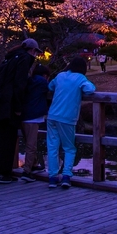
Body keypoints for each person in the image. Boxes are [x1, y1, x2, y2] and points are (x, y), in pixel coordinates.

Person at [0, 38, 41, 184]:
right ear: (33, 50)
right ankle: (2, 172)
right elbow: (19, 85)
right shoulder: (24, 59)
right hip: (7, 107)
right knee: (6, 140)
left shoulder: (9, 59)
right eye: (36, 53)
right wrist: (17, 108)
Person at [47, 57, 96, 188]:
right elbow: (90, 89)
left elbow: (50, 86)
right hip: (67, 118)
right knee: (69, 148)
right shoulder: (80, 78)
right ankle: (66, 176)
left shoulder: (60, 75)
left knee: (52, 147)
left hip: (52, 115)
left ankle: (52, 177)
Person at [15, 64, 51, 181]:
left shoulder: (29, 81)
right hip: (33, 117)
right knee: (31, 145)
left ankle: (34, 165)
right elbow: (52, 89)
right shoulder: (42, 83)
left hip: (24, 116)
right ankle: (27, 171)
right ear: (45, 75)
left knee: (28, 142)